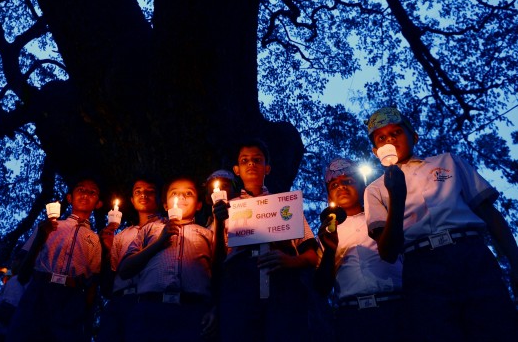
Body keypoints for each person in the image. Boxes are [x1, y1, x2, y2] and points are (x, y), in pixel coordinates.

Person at [363, 107, 518, 341]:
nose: (390, 139)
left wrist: (514, 260)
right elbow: (387, 251)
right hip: (422, 266)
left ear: (413, 136)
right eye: (381, 138)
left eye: (396, 132)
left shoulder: (449, 162)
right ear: (376, 152)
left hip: (470, 254)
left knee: (496, 326)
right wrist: (396, 197)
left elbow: (489, 213)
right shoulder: (374, 190)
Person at [218, 138, 326, 342]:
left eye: (257, 160)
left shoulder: (286, 207)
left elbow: (312, 255)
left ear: (267, 168)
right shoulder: (226, 211)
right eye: (245, 160)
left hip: (284, 293)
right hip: (240, 294)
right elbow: (216, 259)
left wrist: (290, 261)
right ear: (236, 169)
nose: (251, 164)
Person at [315, 158, 404, 342]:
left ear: (363, 186)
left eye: (348, 181)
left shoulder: (383, 216)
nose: (341, 187)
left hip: (395, 308)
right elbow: (321, 288)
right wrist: (330, 250)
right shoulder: (326, 232)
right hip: (351, 316)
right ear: (329, 196)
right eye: (334, 184)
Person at [118, 176, 216, 342]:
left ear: (199, 205)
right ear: (165, 205)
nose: (181, 197)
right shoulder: (150, 229)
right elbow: (125, 270)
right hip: (150, 310)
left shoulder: (207, 234)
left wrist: (214, 309)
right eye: (174, 193)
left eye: (189, 193)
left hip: (192, 311)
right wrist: (159, 242)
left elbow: (218, 274)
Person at [6, 177, 103, 342]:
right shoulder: (49, 227)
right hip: (40, 292)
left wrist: (86, 318)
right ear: (70, 197)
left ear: (98, 203)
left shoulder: (95, 240)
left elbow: (92, 284)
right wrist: (40, 238)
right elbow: (22, 273)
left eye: (92, 192)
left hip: (71, 299)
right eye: (81, 189)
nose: (86, 194)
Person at [96, 176, 162, 342]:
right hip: (119, 303)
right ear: (132, 200)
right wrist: (107, 250)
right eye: (138, 192)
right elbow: (107, 285)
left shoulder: (168, 231)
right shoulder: (122, 236)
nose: (143, 195)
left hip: (151, 302)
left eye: (150, 192)